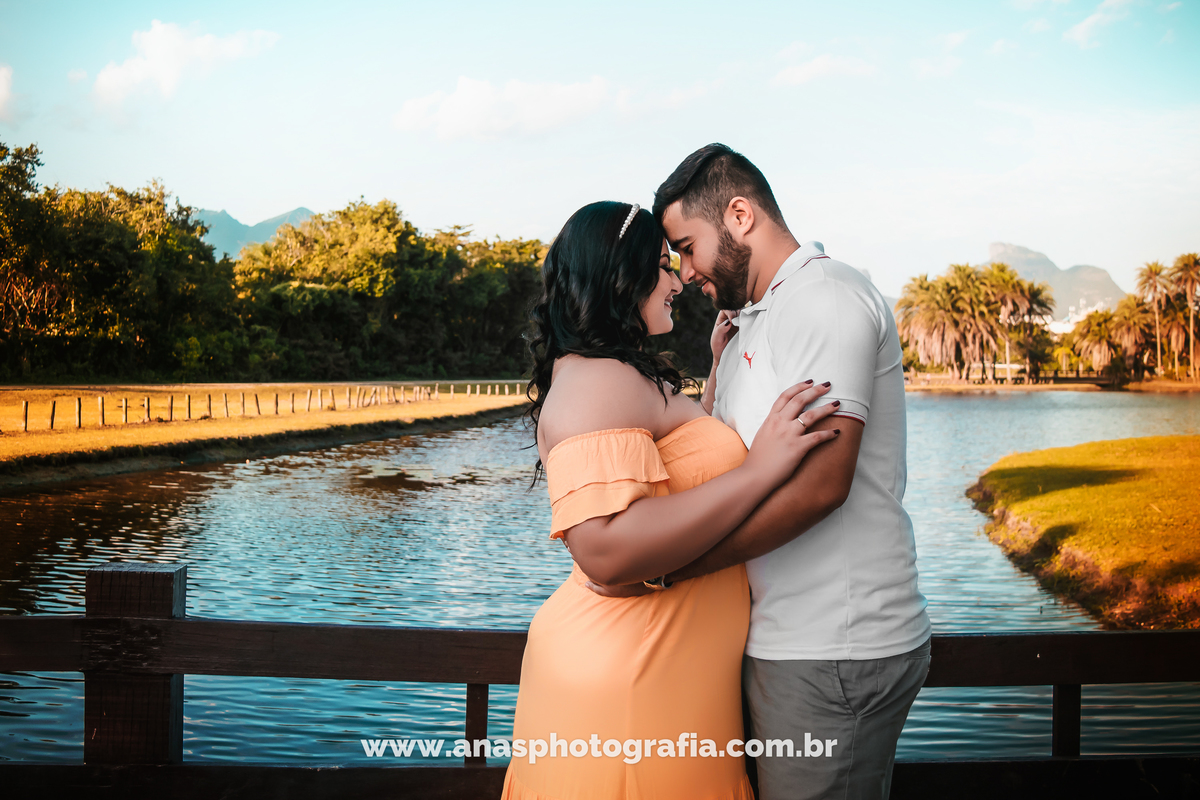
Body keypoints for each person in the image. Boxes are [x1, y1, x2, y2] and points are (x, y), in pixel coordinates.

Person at [501, 200, 840, 800]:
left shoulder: (620, 376)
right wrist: (759, 468)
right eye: (663, 263)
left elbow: (678, 468)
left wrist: (716, 370)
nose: (679, 279)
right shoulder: (596, 379)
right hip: (627, 685)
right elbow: (604, 547)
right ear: (619, 277)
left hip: (664, 678)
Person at [644, 143, 933, 800]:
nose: (684, 272)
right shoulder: (755, 317)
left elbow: (821, 484)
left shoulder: (822, 298)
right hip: (786, 640)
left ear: (739, 215)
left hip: (835, 644)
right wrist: (720, 363)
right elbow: (720, 450)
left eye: (687, 247)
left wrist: (678, 567)